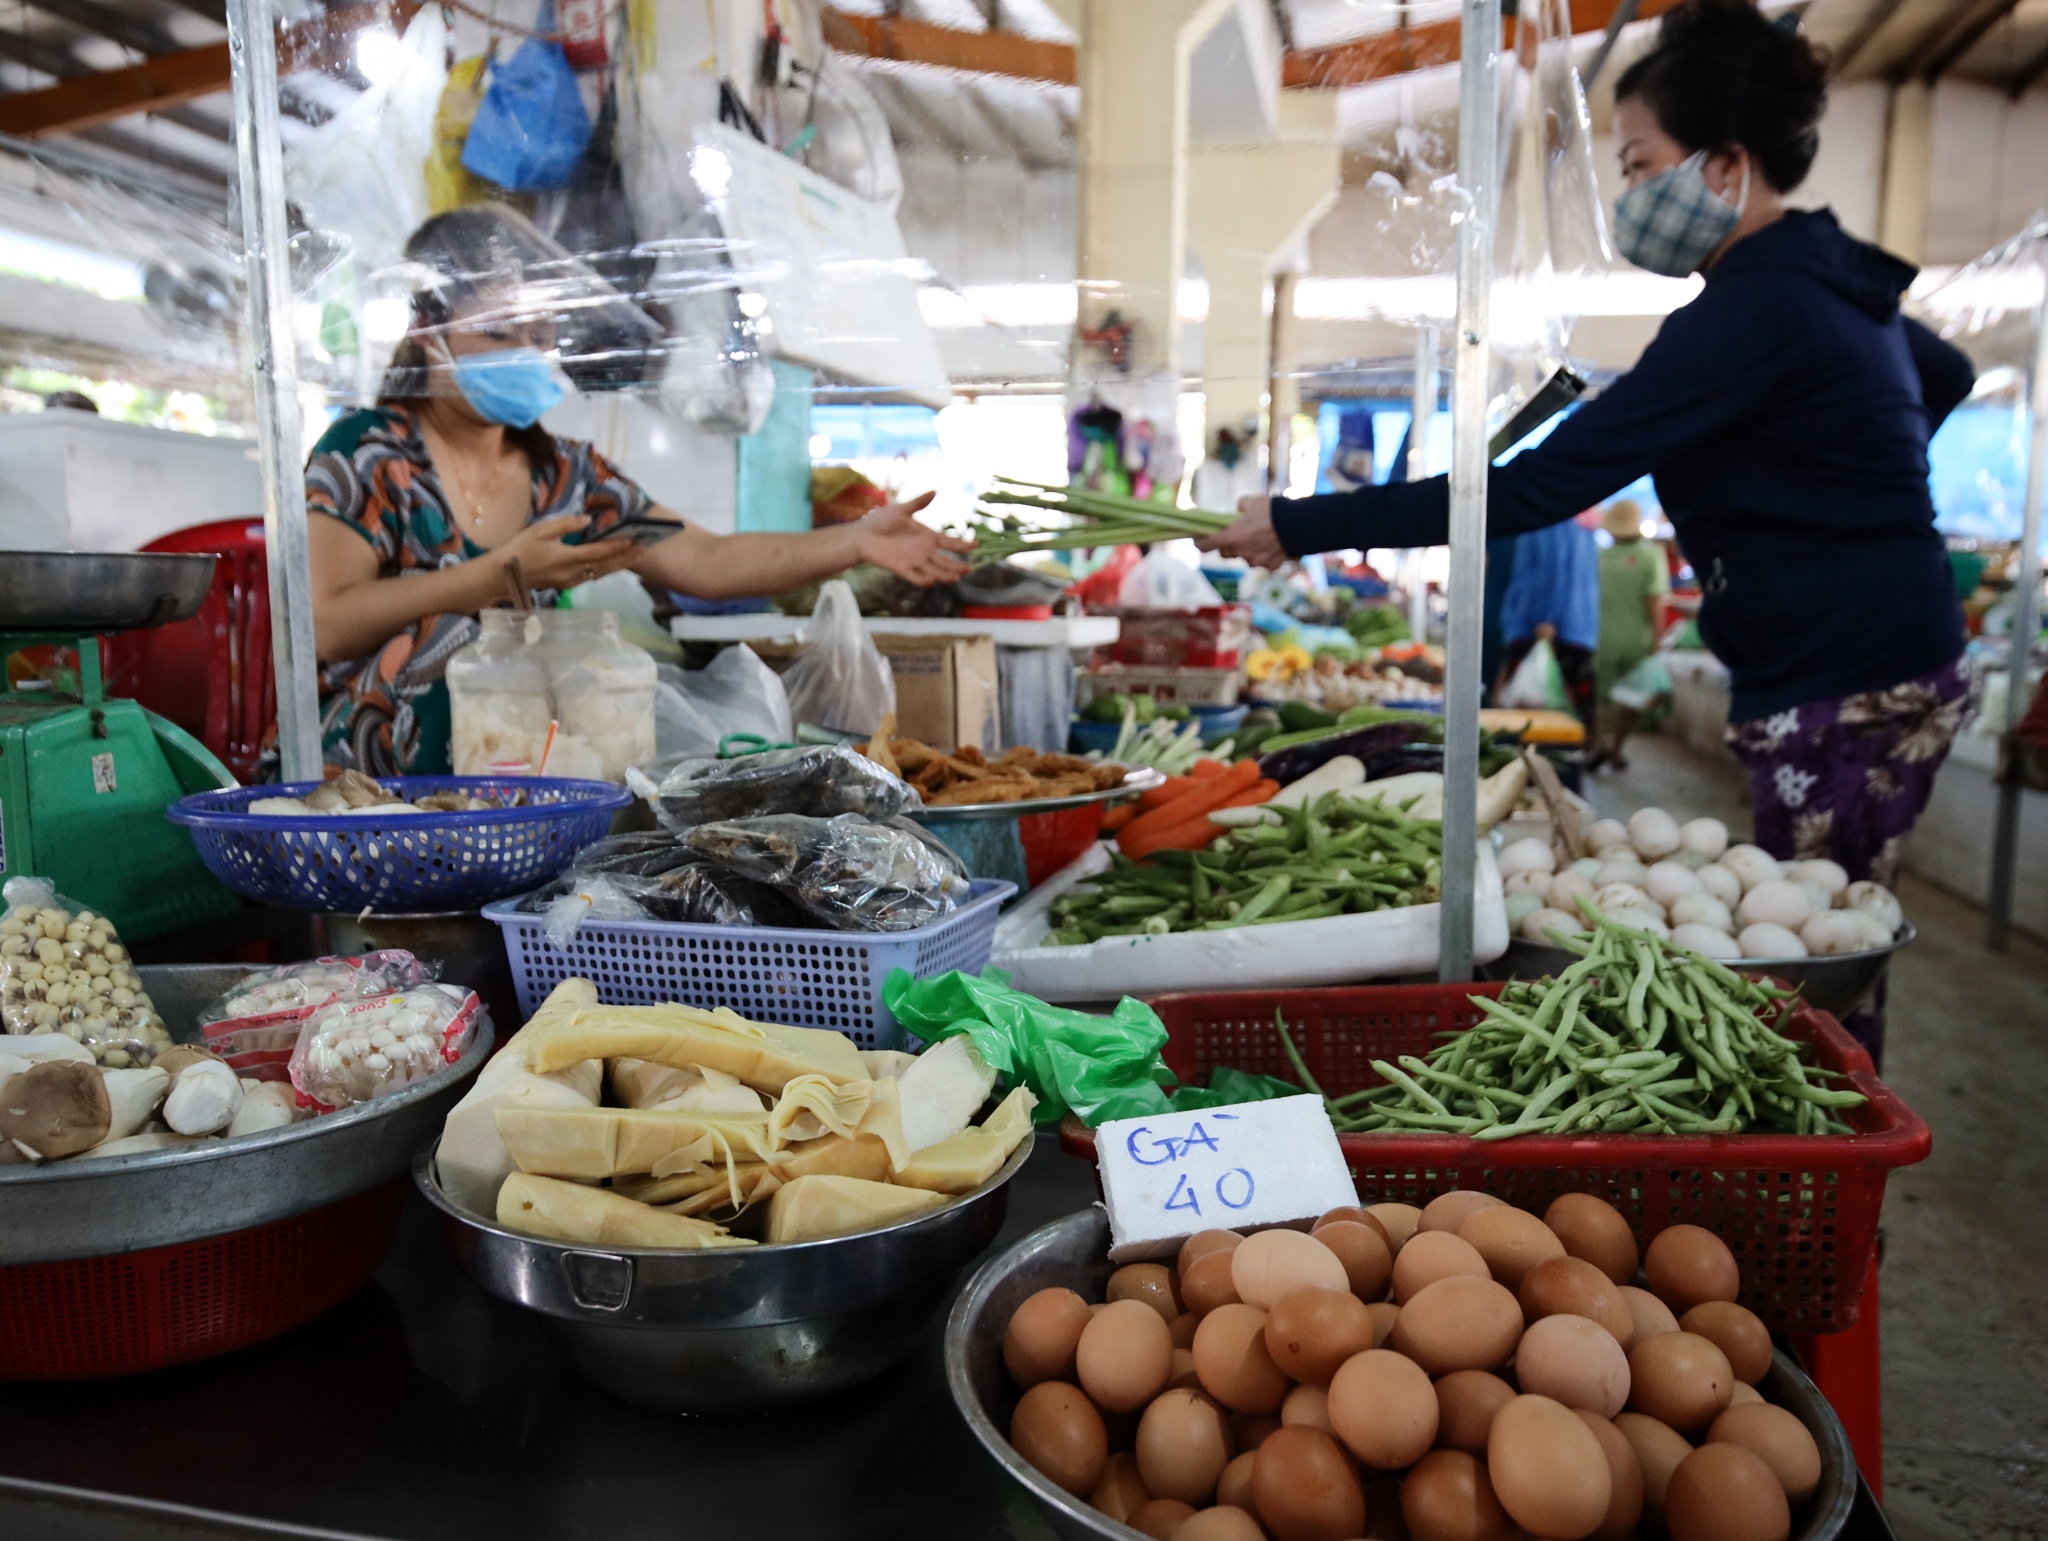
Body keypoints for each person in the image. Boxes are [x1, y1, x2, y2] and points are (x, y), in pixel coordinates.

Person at [1203, 0, 1974, 889]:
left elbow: (1534, 489)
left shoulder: (1749, 312)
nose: (1631, 197)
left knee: (1821, 935)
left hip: (1849, 675)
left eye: (1642, 167)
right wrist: (1831, 486)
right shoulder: (1823, 274)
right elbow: (1943, 372)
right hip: (1883, 649)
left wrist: (1296, 525)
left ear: (1726, 165)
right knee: (1824, 911)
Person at [307, 206, 968, 775]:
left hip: (516, 778)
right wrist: (498, 575)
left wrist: (853, 540)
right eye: (499, 333)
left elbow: (704, 560)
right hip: (367, 787)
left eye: (541, 335)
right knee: (464, 641)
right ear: (428, 333)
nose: (528, 353)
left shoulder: (567, 475)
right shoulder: (367, 455)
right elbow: (329, 626)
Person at [1589, 498, 1672, 770]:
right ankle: (1616, 748)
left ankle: (1599, 743)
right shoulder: (1650, 555)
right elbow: (1654, 602)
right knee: (1631, 698)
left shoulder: (1600, 557)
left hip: (1602, 639)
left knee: (1600, 699)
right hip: (1637, 640)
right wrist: (1657, 643)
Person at [1495, 515, 1601, 724]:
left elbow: (1552, 571)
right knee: (1577, 705)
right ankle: (1587, 746)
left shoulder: (1548, 522)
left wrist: (1545, 618)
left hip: (1539, 625)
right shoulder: (1585, 523)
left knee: (1520, 707)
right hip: (1577, 625)